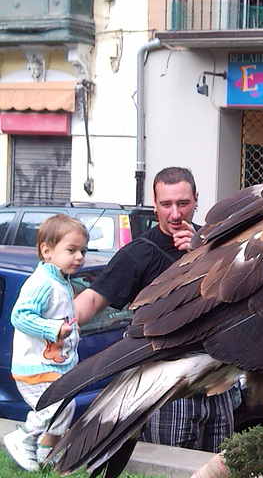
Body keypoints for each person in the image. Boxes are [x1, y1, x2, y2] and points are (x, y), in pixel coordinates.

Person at [73, 167, 235, 452]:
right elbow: (94, 298)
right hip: (168, 384)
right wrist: (57, 322)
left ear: (196, 200)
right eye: (166, 205)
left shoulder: (217, 243)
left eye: (183, 204)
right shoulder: (139, 253)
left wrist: (201, 254)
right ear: (154, 204)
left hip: (216, 379)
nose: (175, 214)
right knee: (169, 466)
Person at [3, 214, 88, 471]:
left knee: (65, 408)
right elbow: (20, 316)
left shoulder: (60, 281)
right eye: (71, 250)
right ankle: (22, 438)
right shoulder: (42, 283)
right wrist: (53, 328)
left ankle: (44, 454)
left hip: (54, 366)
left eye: (82, 250)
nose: (79, 257)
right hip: (35, 367)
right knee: (55, 408)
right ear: (47, 251)